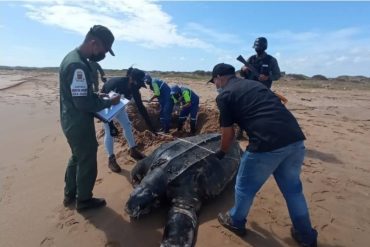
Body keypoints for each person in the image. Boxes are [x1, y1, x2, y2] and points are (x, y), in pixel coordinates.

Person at [209, 63, 318, 247]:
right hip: (295, 139)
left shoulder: (225, 96)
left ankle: (235, 221)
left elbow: (228, 134)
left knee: (243, 187)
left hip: (266, 144)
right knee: (293, 190)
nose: (215, 85)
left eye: (214, 81)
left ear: (220, 77)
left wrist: (222, 152)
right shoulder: (255, 85)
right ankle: (306, 235)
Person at [59, 25, 121, 211]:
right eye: (103, 50)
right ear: (94, 43)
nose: (102, 54)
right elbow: (83, 104)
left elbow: (80, 95)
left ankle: (69, 194)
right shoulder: (77, 65)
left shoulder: (73, 58)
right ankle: (84, 200)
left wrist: (97, 96)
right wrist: (110, 102)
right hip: (78, 122)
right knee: (86, 159)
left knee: (77, 157)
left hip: (70, 119)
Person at [100, 68, 150, 172]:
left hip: (119, 107)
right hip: (106, 107)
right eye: (138, 83)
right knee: (109, 132)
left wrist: (150, 125)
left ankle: (133, 150)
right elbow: (104, 105)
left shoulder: (134, 87)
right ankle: (111, 159)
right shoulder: (115, 84)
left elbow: (141, 107)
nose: (139, 86)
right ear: (131, 78)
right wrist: (110, 124)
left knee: (127, 125)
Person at [238, 37, 282, 139]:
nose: (257, 49)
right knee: (242, 111)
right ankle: (240, 131)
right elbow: (242, 74)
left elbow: (277, 75)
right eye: (256, 47)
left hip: (263, 90)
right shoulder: (251, 59)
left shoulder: (271, 60)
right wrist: (243, 69)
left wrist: (267, 77)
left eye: (260, 47)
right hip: (248, 89)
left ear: (265, 47)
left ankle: (259, 134)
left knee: (261, 113)